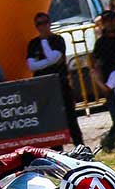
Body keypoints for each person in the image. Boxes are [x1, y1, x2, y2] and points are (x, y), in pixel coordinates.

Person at [26, 12, 84, 146]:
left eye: (45, 22)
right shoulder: (33, 44)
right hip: (44, 87)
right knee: (51, 121)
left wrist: (44, 44)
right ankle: (57, 150)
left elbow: (54, 58)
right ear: (36, 27)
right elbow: (32, 66)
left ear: (50, 23)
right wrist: (49, 61)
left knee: (70, 118)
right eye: (39, 24)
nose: (43, 26)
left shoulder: (58, 40)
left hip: (61, 84)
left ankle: (80, 147)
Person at [91, 10, 115, 151]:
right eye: (106, 21)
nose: (110, 23)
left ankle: (112, 139)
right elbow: (96, 64)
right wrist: (101, 84)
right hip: (111, 83)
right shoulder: (101, 43)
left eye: (112, 20)